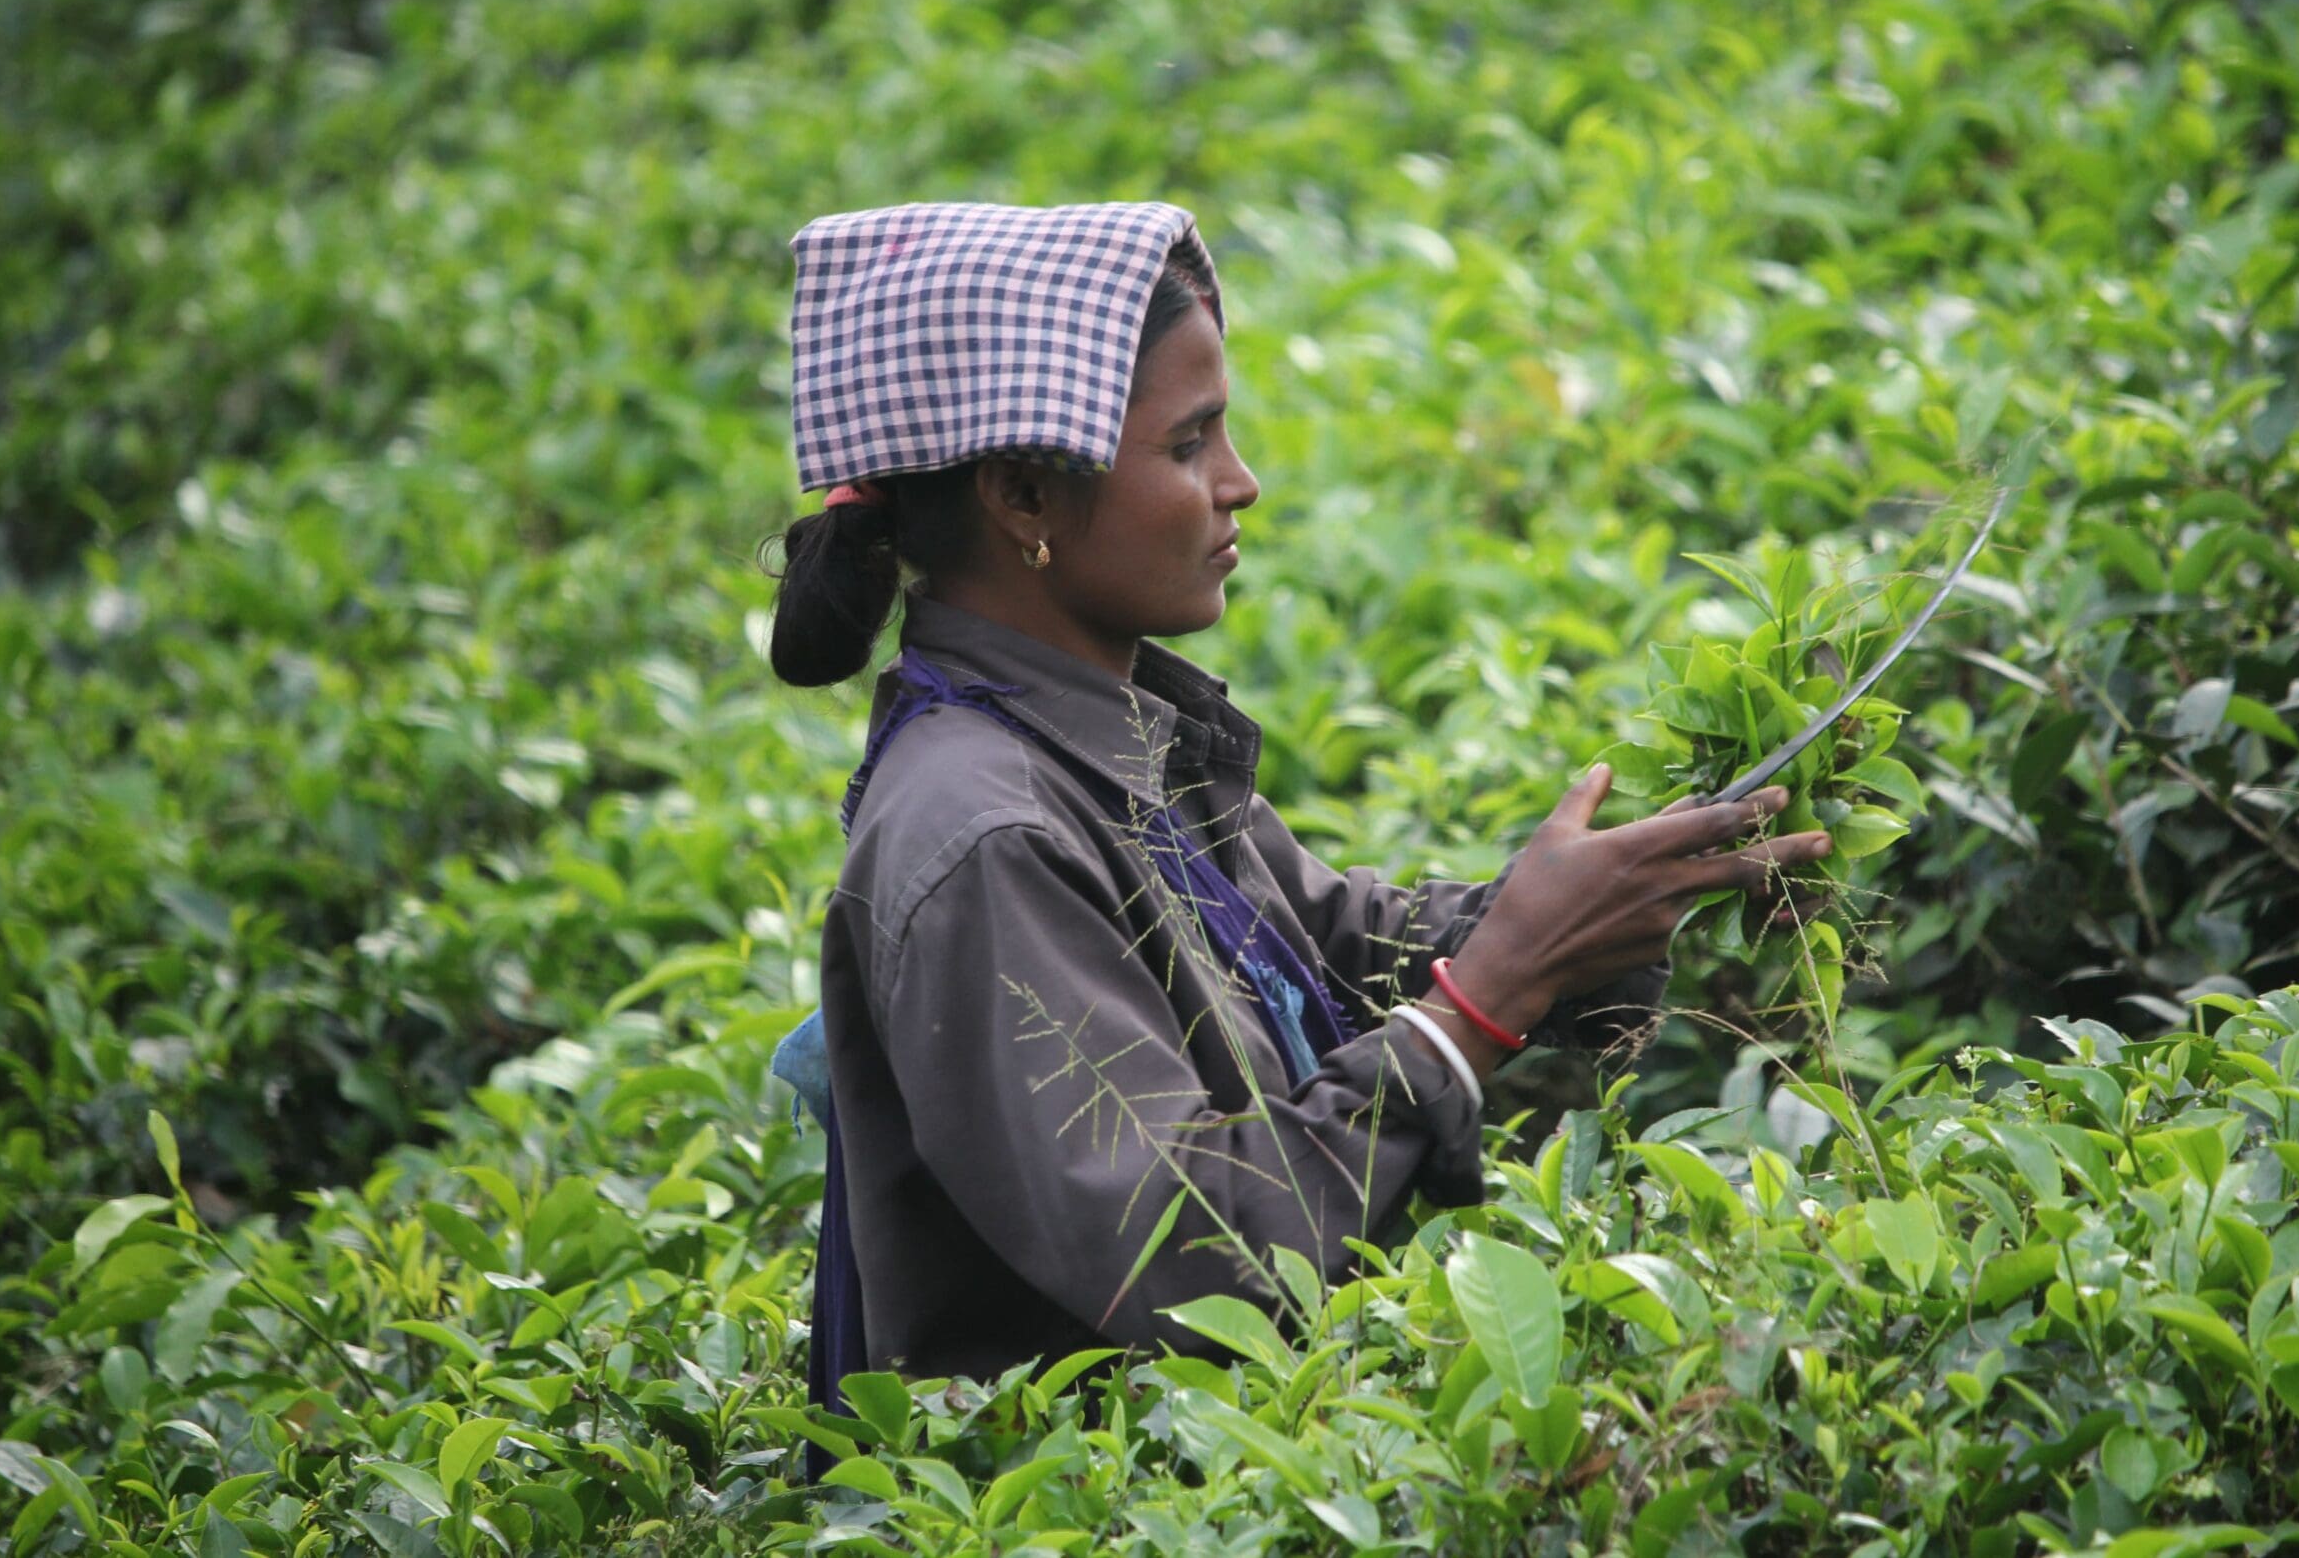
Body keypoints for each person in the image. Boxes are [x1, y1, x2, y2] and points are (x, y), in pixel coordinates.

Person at [763, 201, 1830, 1420]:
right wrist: (1483, 1001)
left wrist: (1616, 892)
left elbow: (1325, 938)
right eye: (1188, 444)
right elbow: (1199, 1258)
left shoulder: (1094, 736)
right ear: (1022, 497)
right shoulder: (983, 836)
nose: (1240, 483)